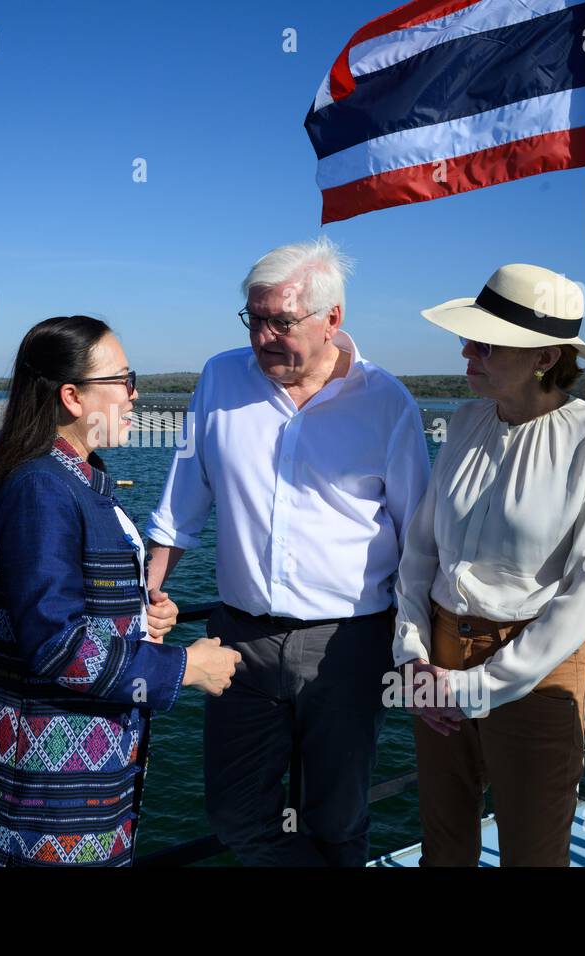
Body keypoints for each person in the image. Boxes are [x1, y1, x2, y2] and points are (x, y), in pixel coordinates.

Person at [145, 237, 431, 866]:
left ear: (333, 319)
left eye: (282, 320)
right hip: (239, 641)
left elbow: (418, 540)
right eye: (255, 319)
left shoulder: (388, 403)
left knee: (338, 817)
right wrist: (146, 596)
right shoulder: (220, 379)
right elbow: (181, 504)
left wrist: (418, 649)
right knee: (235, 815)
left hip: (350, 646)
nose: (264, 336)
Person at [0, 316, 240, 866]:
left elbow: (69, 611)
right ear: (72, 397)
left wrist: (139, 616)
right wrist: (186, 669)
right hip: (42, 806)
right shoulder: (41, 488)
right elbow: (58, 645)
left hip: (71, 791)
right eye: (125, 380)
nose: (136, 395)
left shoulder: (76, 477)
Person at [392, 263, 585, 866]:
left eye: (486, 341)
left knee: (533, 853)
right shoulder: (467, 420)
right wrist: (412, 658)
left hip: (536, 672)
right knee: (443, 848)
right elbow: (422, 549)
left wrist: (479, 685)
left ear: (544, 357)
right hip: (438, 662)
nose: (466, 350)